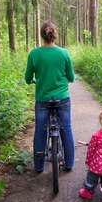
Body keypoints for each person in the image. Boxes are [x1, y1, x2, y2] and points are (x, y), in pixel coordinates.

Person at [25, 22, 76, 173]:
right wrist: (69, 79)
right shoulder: (64, 53)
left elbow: (28, 78)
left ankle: (39, 166)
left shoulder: (34, 54)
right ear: (55, 35)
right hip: (62, 98)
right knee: (65, 128)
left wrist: (34, 80)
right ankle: (69, 163)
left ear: (42, 35)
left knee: (40, 130)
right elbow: (71, 77)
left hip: (42, 99)